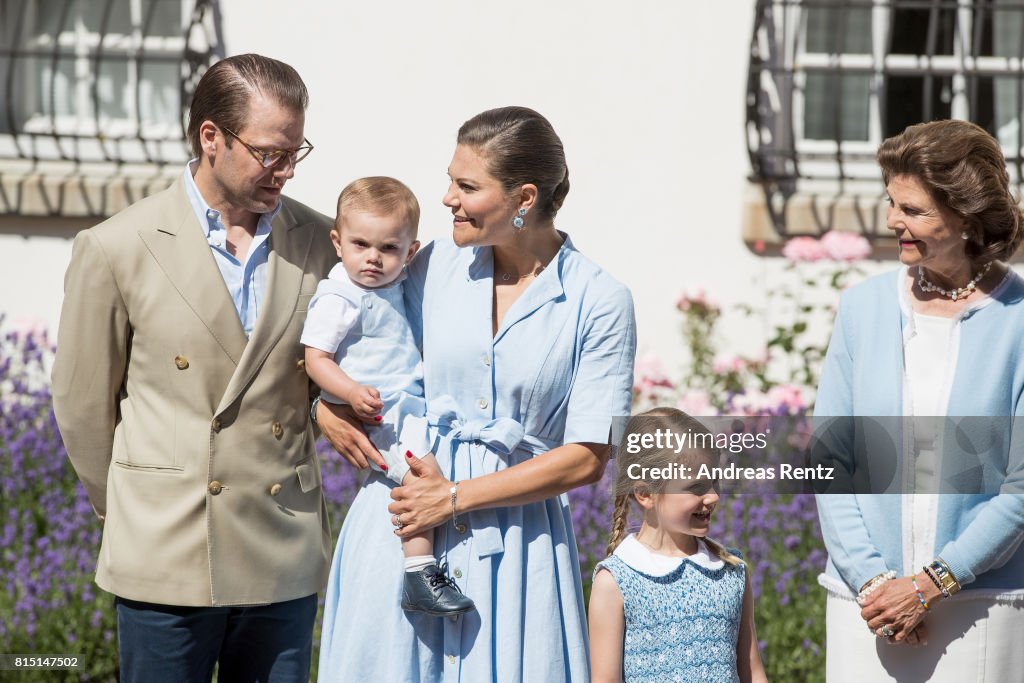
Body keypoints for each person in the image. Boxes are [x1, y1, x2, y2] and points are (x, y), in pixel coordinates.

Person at [316, 106, 637, 681]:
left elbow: (589, 457)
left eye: (466, 185)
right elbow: (350, 337)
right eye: (450, 179)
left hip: (517, 541)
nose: (446, 198)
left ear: (525, 198)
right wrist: (323, 405)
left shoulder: (600, 300)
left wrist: (457, 497)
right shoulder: (429, 264)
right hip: (402, 520)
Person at [51, 54, 335, 682]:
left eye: (295, 152)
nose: (284, 170)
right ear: (211, 137)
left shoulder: (324, 241)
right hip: (167, 545)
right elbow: (82, 404)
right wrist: (137, 498)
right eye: (268, 152)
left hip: (280, 538)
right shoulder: (117, 245)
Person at [815, 119, 1024, 681]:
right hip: (867, 607)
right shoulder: (862, 309)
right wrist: (876, 584)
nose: (892, 221)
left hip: (980, 610)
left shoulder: (1019, 320)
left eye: (913, 210)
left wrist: (933, 583)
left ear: (965, 216)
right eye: (891, 201)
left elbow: (1020, 488)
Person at [301, 176, 474, 616]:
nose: (373, 259)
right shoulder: (339, 296)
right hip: (378, 412)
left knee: (433, 471)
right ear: (338, 243)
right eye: (361, 245)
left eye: (389, 249)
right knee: (422, 477)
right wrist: (349, 393)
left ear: (410, 253)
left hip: (407, 404)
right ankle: (419, 571)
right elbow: (316, 359)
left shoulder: (396, 286)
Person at [588, 408, 767, 683]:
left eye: (714, 482)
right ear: (646, 493)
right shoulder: (616, 581)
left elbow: (752, 671)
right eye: (696, 486)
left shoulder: (732, 572)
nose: (712, 496)